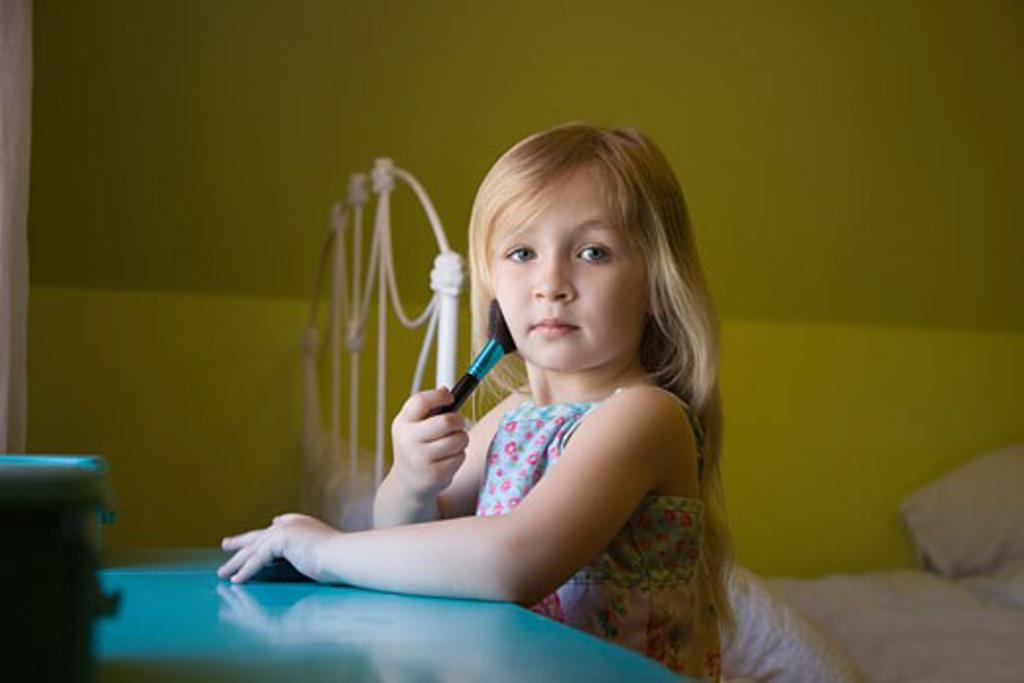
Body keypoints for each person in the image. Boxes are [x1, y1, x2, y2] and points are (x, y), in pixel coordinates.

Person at [219, 122, 734, 680]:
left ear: (657, 284)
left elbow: (515, 559)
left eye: (592, 252)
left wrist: (327, 552)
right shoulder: (509, 417)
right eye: (521, 252)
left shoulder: (644, 416)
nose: (550, 283)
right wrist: (411, 480)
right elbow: (408, 543)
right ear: (492, 281)